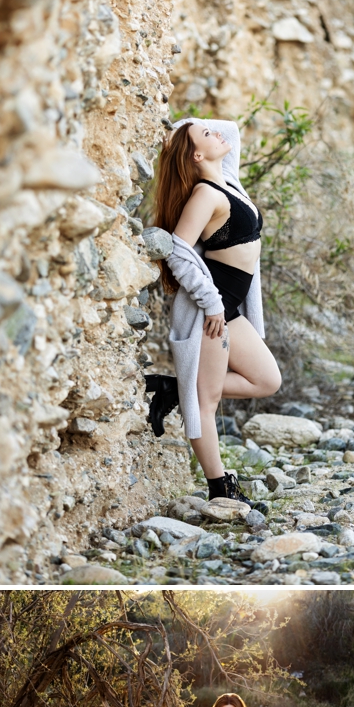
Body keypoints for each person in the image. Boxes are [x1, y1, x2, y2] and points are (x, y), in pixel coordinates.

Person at [147, 117, 281, 504]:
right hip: (211, 312)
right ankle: (220, 487)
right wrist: (210, 303)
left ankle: (175, 387)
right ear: (196, 154)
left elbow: (231, 130)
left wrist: (179, 129)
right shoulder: (205, 194)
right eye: (206, 134)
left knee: (267, 380)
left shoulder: (228, 180)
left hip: (230, 309)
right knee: (204, 403)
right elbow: (177, 250)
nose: (217, 133)